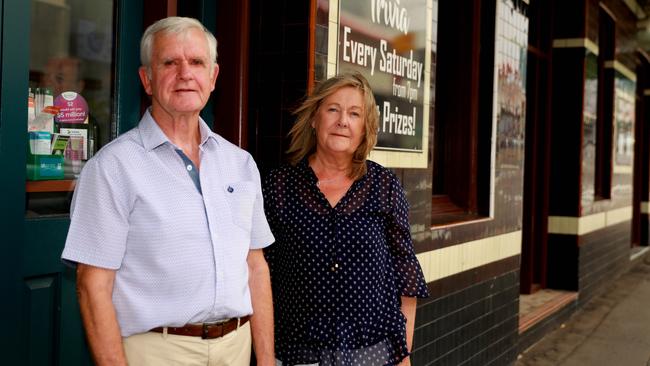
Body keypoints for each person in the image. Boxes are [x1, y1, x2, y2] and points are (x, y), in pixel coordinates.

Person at [61, 16, 275, 366]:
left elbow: (256, 267)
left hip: (237, 346)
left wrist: (266, 360)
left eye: (196, 62)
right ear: (147, 79)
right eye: (169, 62)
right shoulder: (113, 167)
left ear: (213, 77)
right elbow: (92, 286)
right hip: (156, 351)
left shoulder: (241, 163)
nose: (185, 73)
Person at [262, 72, 429, 366]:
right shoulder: (278, 187)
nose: (343, 121)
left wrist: (404, 354)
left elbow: (406, 276)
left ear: (365, 129)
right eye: (333, 109)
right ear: (314, 119)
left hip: (374, 355)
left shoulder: (385, 186)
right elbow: (261, 275)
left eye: (354, 114)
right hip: (297, 355)